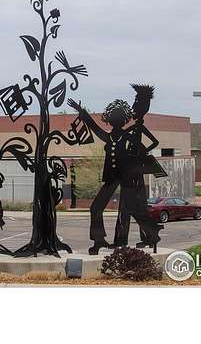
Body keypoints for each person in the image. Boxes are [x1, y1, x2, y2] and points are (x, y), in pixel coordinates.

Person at [68, 98, 133, 255]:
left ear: (123, 120)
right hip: (111, 177)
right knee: (95, 208)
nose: (115, 120)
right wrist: (81, 111)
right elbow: (93, 126)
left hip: (125, 177)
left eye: (118, 117)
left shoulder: (128, 136)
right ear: (109, 120)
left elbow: (140, 150)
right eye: (113, 117)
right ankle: (99, 239)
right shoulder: (108, 137)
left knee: (124, 211)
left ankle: (121, 243)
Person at [115, 84, 166, 249]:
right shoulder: (134, 128)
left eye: (136, 101)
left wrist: (142, 151)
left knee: (131, 206)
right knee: (131, 206)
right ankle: (128, 239)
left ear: (142, 106)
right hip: (131, 170)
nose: (133, 105)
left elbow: (154, 142)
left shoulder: (139, 127)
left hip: (134, 171)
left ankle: (145, 237)